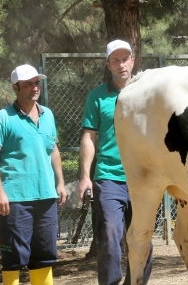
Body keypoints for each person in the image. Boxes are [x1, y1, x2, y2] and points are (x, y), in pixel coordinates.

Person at [0, 64, 67, 285]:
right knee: (14, 257)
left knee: (45, 255)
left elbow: (53, 149)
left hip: (46, 196)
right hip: (15, 199)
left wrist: (60, 182)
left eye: (36, 83)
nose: (34, 87)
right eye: (28, 84)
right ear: (15, 87)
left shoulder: (48, 115)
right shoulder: (2, 118)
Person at [78, 40, 153, 285]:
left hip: (144, 177)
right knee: (110, 235)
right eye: (116, 60)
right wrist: (85, 177)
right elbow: (89, 137)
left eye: (125, 59)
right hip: (108, 177)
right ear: (108, 65)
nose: (121, 65)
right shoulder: (97, 97)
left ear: (133, 61)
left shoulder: (149, 92)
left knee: (143, 238)